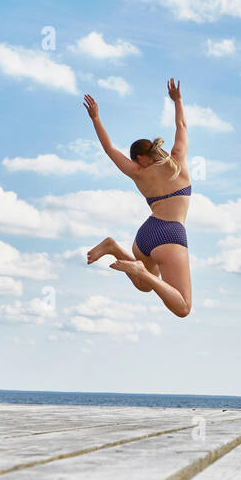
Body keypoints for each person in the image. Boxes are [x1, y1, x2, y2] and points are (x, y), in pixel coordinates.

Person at [83, 80, 193, 318]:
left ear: (139, 157)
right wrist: (178, 100)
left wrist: (96, 118)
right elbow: (181, 125)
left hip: (146, 234)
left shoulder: (137, 173)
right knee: (183, 307)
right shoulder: (177, 160)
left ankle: (115, 248)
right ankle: (140, 270)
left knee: (145, 286)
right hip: (170, 234)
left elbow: (110, 149)